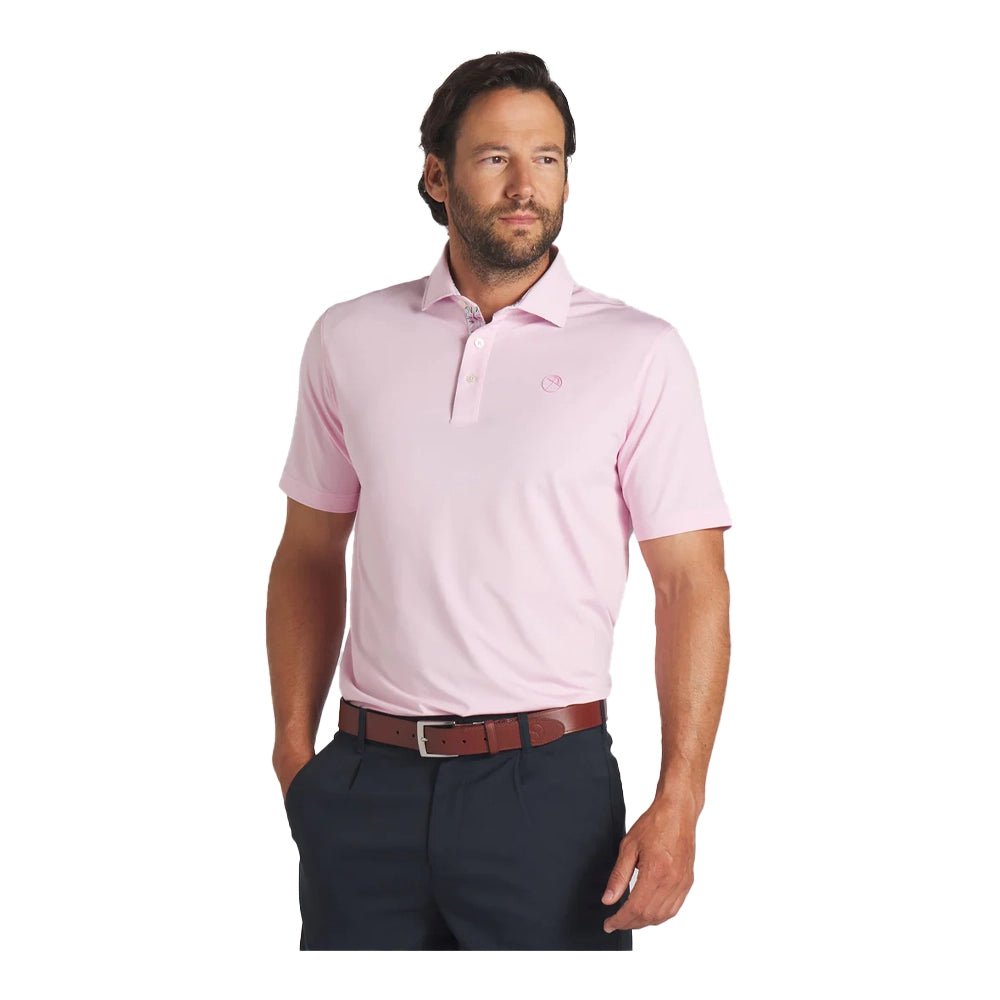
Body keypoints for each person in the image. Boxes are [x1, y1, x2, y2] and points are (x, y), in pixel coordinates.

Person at [267, 51, 733, 951]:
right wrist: (294, 754)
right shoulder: (348, 338)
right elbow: (308, 552)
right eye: (494, 158)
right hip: (364, 786)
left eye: (547, 158)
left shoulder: (639, 352)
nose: (526, 186)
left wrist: (681, 799)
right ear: (437, 176)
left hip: (547, 792)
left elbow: (692, 585)